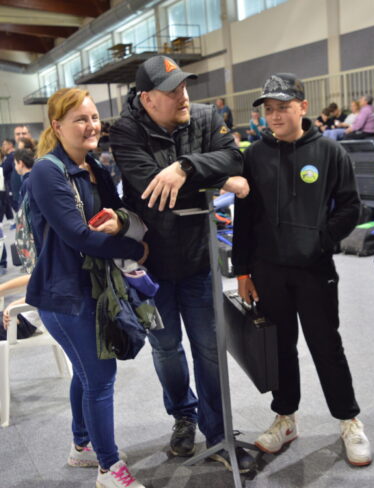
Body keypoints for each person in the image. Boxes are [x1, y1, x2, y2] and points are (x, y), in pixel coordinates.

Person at [110, 55, 254, 472]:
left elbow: (234, 159)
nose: (184, 96)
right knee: (167, 349)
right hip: (151, 267)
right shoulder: (125, 130)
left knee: (210, 350)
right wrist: (216, 180)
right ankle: (183, 417)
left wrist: (185, 165)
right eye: (172, 91)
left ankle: (218, 433)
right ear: (148, 99)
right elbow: (152, 188)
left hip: (198, 260)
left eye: (185, 86)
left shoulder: (205, 117)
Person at [232, 72, 372, 467]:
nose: (275, 116)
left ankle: (348, 420)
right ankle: (285, 418)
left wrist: (321, 240)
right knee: (279, 348)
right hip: (267, 271)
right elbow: (244, 218)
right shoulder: (253, 156)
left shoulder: (329, 151)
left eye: (283, 107)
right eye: (269, 109)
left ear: (303, 107)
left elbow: (351, 207)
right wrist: (242, 271)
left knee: (327, 346)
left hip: (314, 269)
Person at [26, 87, 149, 488]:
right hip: (63, 296)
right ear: (57, 126)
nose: (91, 125)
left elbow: (117, 213)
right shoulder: (47, 172)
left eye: (94, 117)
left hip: (91, 289)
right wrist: (135, 248)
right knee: (100, 377)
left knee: (85, 372)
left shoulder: (94, 165)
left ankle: (82, 445)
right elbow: (79, 236)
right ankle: (108, 468)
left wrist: (121, 223)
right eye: (80, 119)